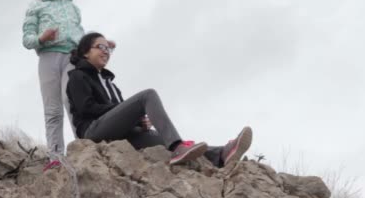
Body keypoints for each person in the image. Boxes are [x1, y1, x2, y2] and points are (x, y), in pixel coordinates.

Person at [66, 32, 252, 166]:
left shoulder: (111, 84)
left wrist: (138, 123)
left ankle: (220, 154)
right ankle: (178, 147)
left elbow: (116, 115)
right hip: (92, 132)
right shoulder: (77, 76)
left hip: (120, 135)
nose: (106, 51)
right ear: (85, 53)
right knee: (148, 95)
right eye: (100, 47)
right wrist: (128, 113)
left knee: (163, 138)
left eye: (108, 48)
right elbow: (86, 108)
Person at [22, 0, 110, 171]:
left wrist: (98, 46)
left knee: (73, 103)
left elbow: (81, 35)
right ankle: (55, 157)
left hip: (72, 58)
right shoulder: (36, 7)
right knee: (52, 109)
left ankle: (83, 149)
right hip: (48, 58)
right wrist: (42, 38)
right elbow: (27, 40)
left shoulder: (73, 8)